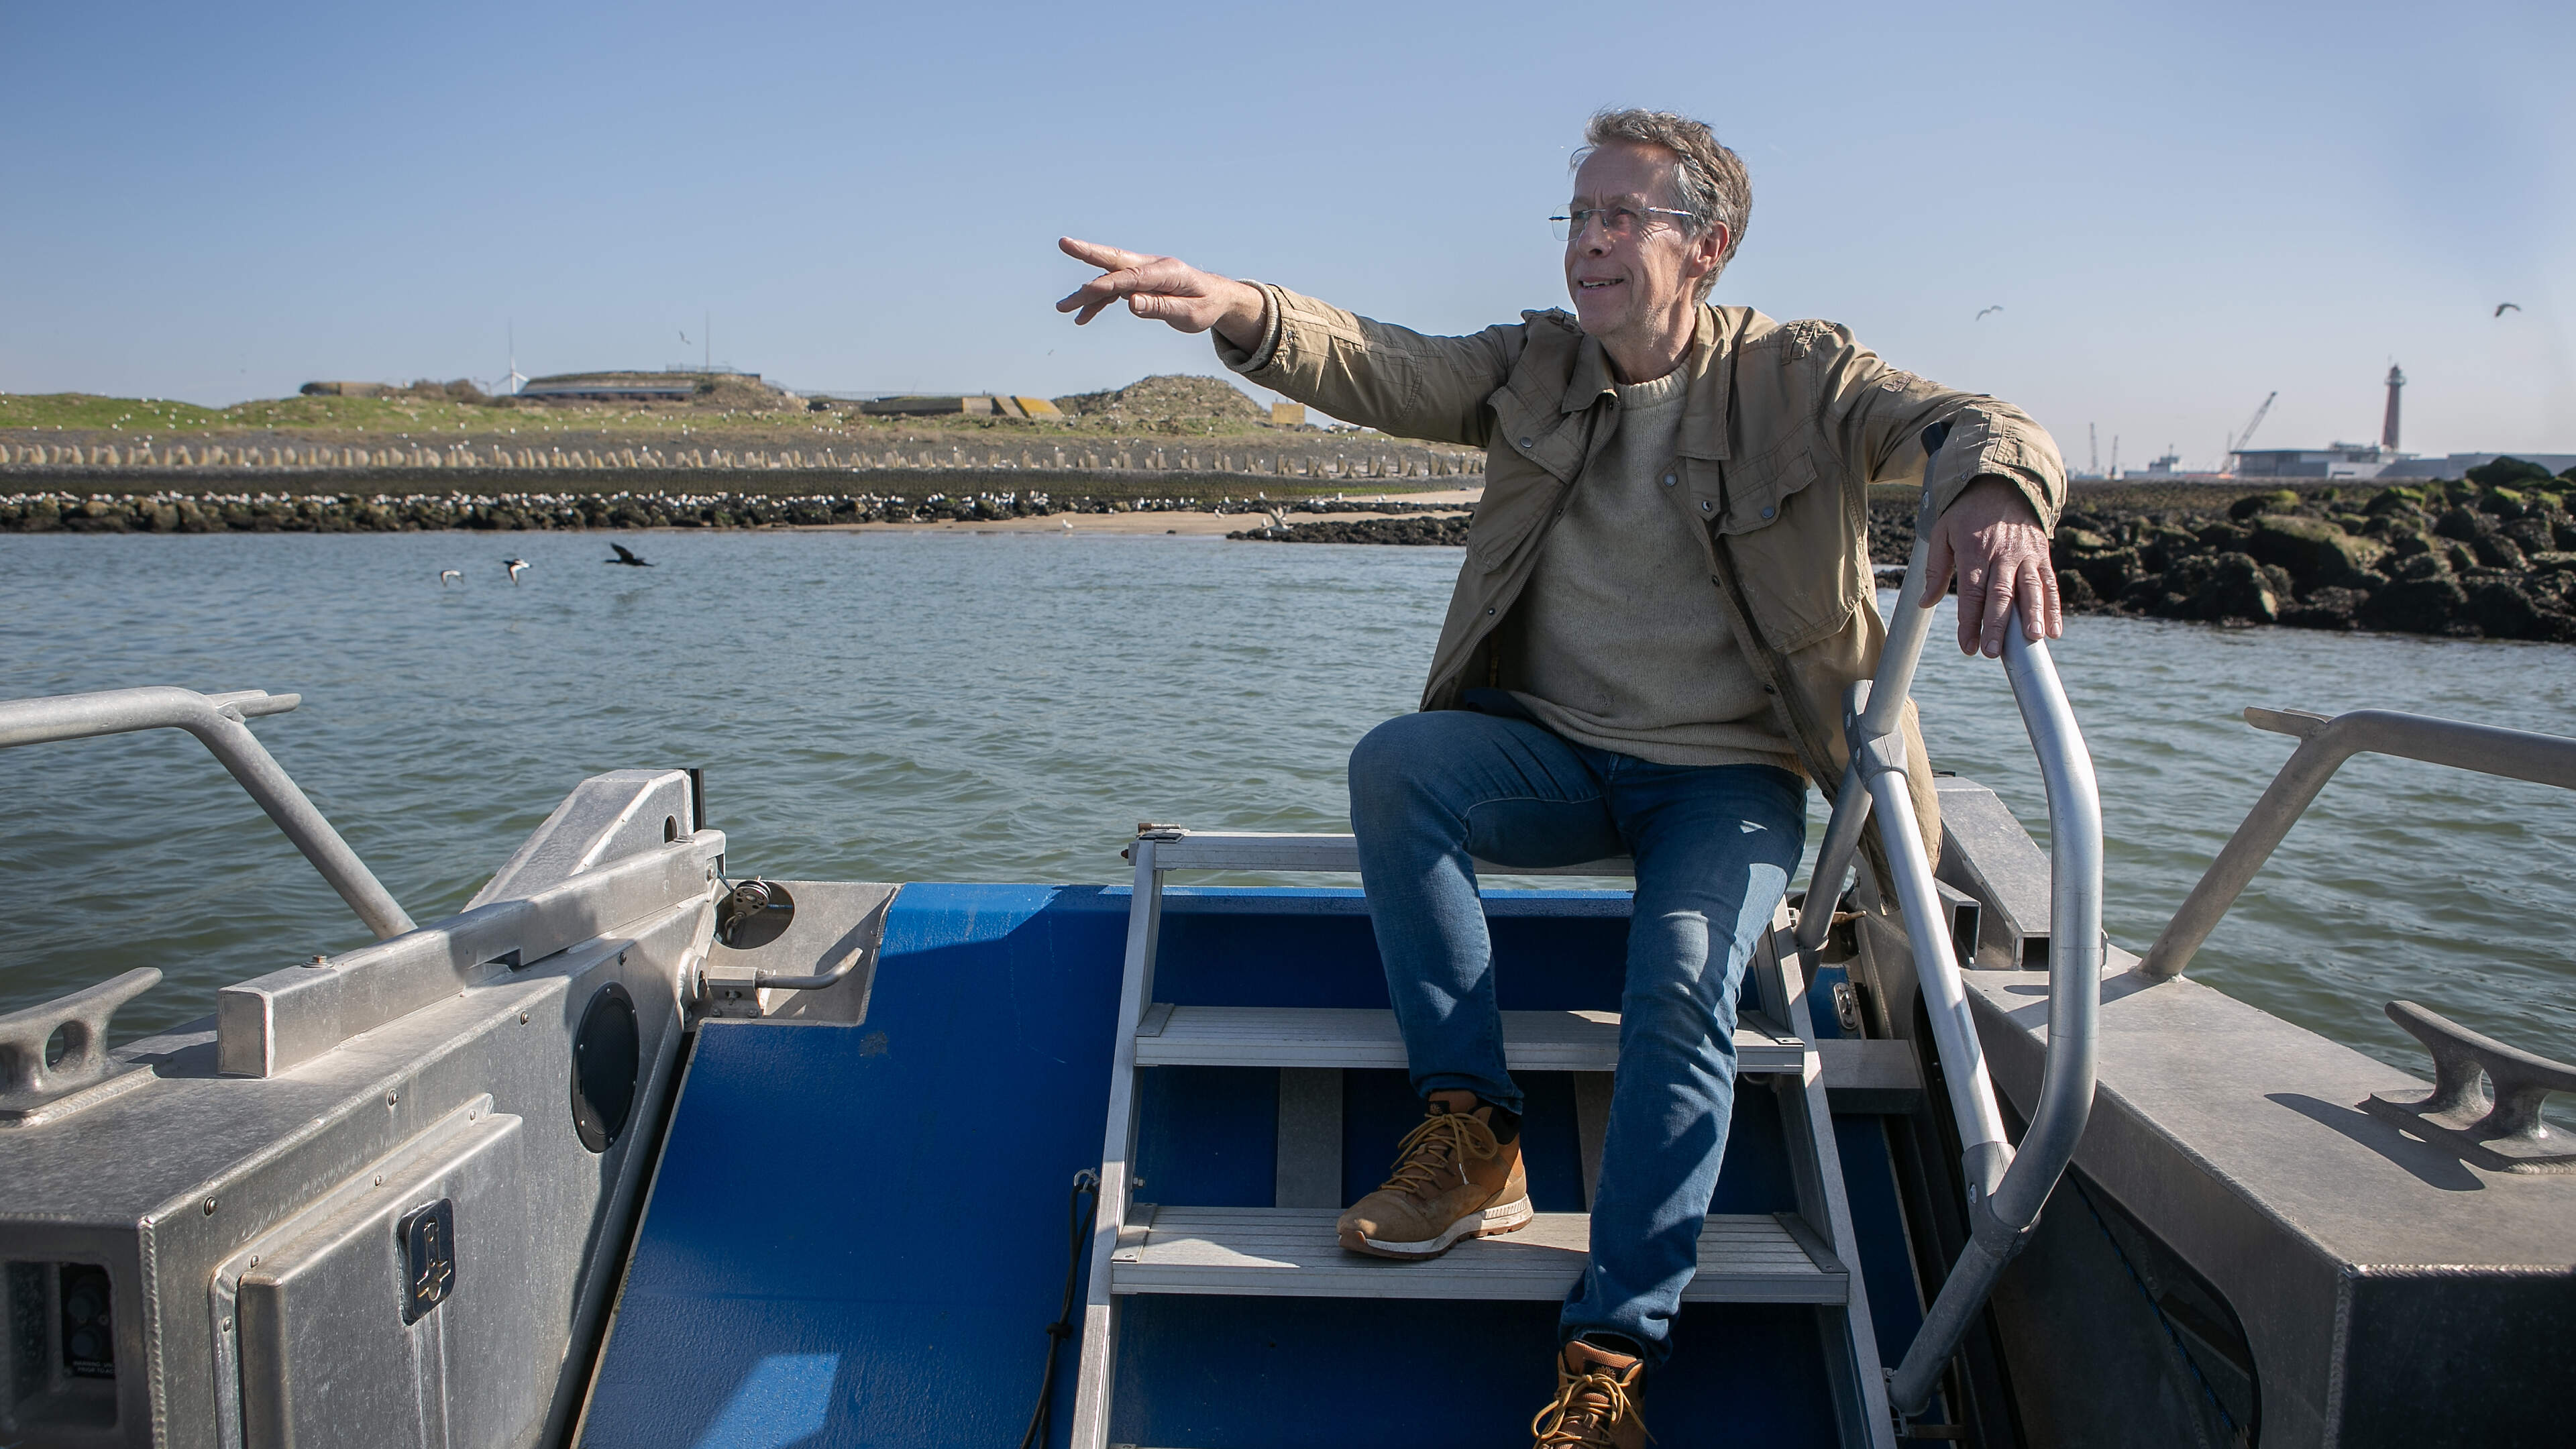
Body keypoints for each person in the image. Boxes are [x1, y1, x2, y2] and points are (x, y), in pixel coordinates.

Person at [1055, 107, 2065, 1449]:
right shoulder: (1536, 363)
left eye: (1621, 218)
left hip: (1728, 773)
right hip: (1553, 751)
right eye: (1578, 216)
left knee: (1687, 982)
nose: (1589, 241)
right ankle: (1472, 1131)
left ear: (1706, 248)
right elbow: (1385, 365)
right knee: (1400, 767)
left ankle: (1609, 1356)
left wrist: (1994, 486)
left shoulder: (1801, 374)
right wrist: (1238, 309)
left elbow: (1967, 418)